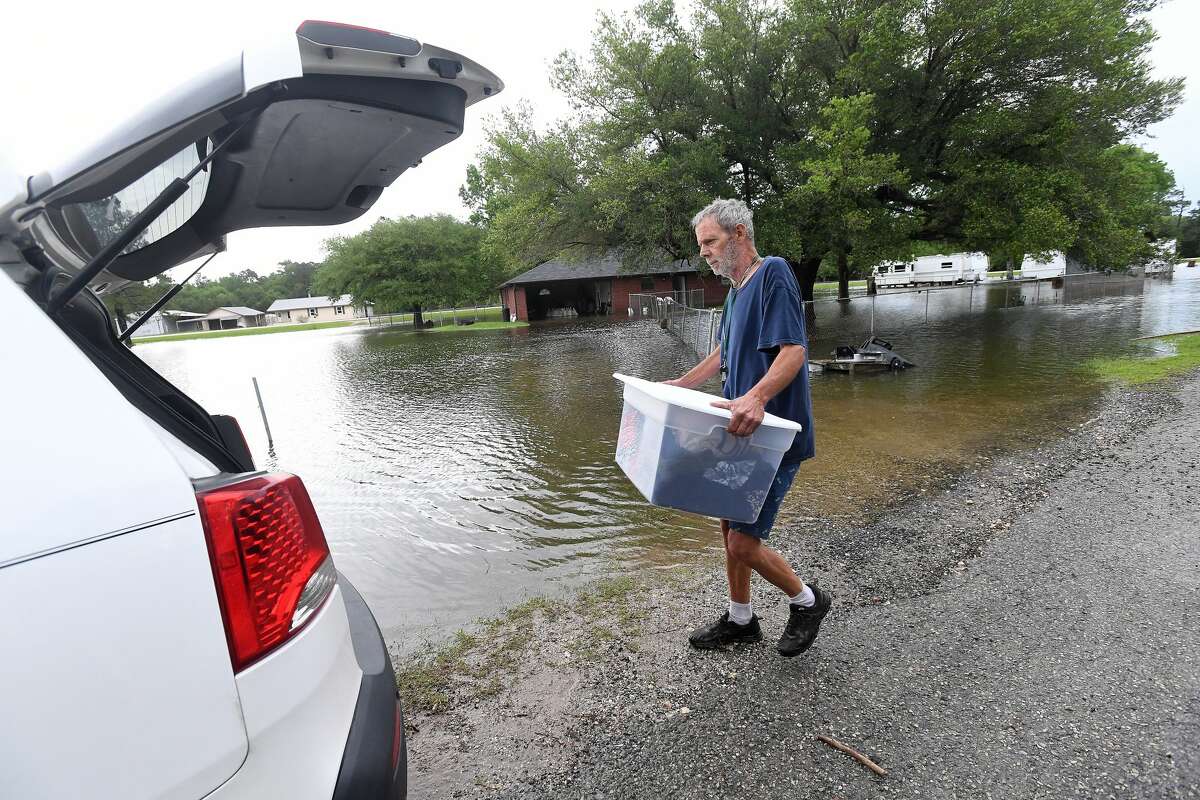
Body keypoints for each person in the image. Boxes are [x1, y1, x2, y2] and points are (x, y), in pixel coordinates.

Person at [665, 198, 829, 657]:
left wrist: (756, 396)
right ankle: (741, 620)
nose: (705, 254)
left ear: (739, 234)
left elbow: (793, 351)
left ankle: (807, 602)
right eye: (701, 247)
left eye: (711, 242)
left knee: (742, 540)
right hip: (739, 434)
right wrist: (681, 384)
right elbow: (722, 354)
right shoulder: (736, 291)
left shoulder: (773, 272)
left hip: (774, 437)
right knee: (726, 525)